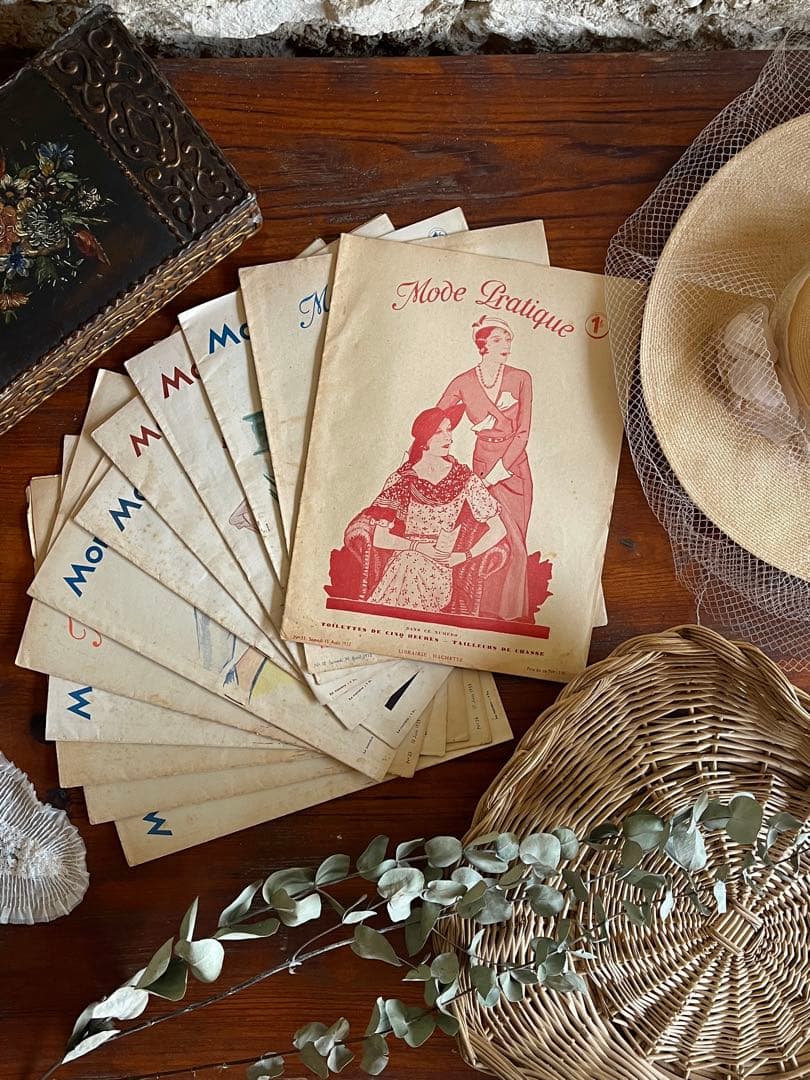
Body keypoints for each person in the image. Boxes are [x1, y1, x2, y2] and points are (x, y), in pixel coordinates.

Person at [348, 406, 508, 615]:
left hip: (440, 569)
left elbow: (499, 529)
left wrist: (463, 556)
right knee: (409, 561)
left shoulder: (464, 478)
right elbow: (380, 538)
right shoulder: (402, 479)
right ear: (424, 439)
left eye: (449, 430)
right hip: (404, 560)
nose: (448, 437)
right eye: (439, 432)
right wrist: (418, 547)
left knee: (410, 565)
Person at [435, 315, 533, 538]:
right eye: (497, 340)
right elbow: (433, 419)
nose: (506, 345)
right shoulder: (462, 382)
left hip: (514, 464)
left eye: (508, 340)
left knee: (515, 534)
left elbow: (523, 432)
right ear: (482, 344)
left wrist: (500, 470)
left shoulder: (521, 378)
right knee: (487, 531)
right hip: (482, 462)